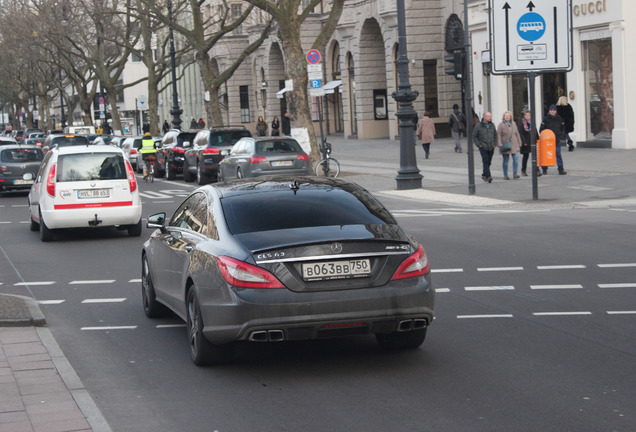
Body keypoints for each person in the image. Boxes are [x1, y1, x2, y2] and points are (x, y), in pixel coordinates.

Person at [540, 104, 567, 175]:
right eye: (551, 110)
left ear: (556, 111)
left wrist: (561, 135)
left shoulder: (559, 118)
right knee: (546, 155)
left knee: (558, 154)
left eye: (554, 110)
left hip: (556, 140)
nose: (552, 112)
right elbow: (541, 129)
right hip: (547, 141)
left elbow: (563, 128)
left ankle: (561, 169)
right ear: (549, 111)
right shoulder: (545, 119)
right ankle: (544, 169)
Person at [473, 111, 498, 183]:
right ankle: (489, 176)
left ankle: (484, 174)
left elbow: (495, 135)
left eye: (490, 116)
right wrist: (479, 145)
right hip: (483, 146)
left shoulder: (492, 125)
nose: (490, 118)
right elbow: (474, 136)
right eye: (489, 116)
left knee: (488, 162)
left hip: (491, 146)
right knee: (485, 160)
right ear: (484, 117)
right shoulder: (478, 126)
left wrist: (495, 144)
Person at [497, 111, 522, 180]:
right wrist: (499, 143)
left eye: (509, 116)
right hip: (505, 144)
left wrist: (519, 142)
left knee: (516, 159)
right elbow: (498, 134)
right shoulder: (501, 125)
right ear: (504, 117)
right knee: (505, 160)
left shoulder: (514, 124)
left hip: (514, 144)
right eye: (506, 116)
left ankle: (515, 173)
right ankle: (505, 174)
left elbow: (517, 133)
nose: (508, 117)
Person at [517, 110, 541, 177]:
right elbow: (520, 133)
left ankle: (537, 170)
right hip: (526, 142)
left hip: (532, 141)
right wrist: (523, 142)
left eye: (529, 115)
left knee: (535, 157)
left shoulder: (532, 123)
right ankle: (523, 170)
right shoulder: (522, 123)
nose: (528, 116)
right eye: (527, 115)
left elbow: (535, 131)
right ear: (524, 116)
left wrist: (538, 139)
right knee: (525, 156)